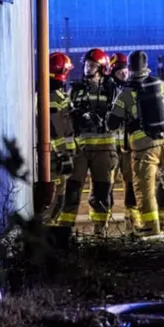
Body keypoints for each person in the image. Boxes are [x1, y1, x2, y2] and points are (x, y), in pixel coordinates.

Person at [107, 50, 164, 236]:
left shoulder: (126, 93)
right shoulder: (160, 85)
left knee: (144, 188)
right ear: (147, 66)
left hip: (144, 146)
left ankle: (150, 228)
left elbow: (111, 123)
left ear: (130, 68)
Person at [57, 49, 119, 236]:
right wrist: (77, 116)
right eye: (86, 65)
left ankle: (100, 231)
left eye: (92, 65)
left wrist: (104, 119)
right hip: (80, 149)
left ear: (101, 68)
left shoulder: (111, 88)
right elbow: (66, 114)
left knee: (101, 191)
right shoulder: (75, 89)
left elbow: (118, 113)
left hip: (104, 148)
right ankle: (65, 231)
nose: (87, 68)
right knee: (73, 189)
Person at [40, 52, 76, 224]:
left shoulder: (48, 94)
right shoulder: (53, 97)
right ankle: (45, 236)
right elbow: (55, 131)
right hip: (55, 159)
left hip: (53, 157)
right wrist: (64, 155)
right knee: (55, 199)